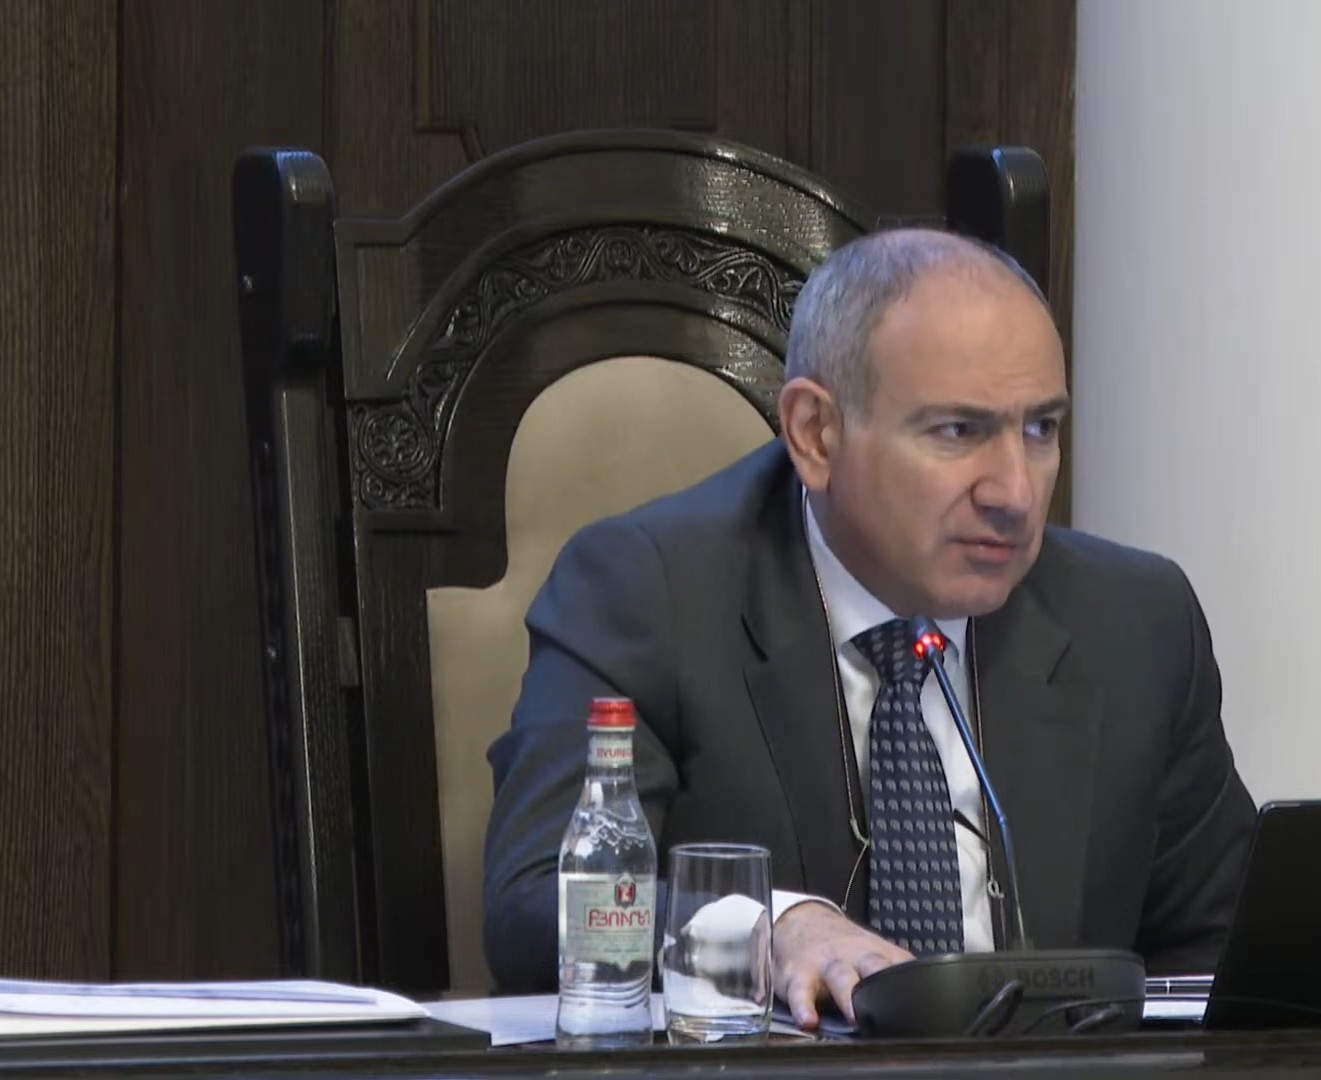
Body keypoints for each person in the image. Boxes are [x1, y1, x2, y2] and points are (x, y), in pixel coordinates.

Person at [482, 228, 1257, 1029]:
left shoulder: (1134, 620)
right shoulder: (650, 595)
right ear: (816, 434)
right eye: (958, 431)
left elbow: (1226, 947)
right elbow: (536, 903)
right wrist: (770, 929)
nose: (1016, 494)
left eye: (1041, 430)